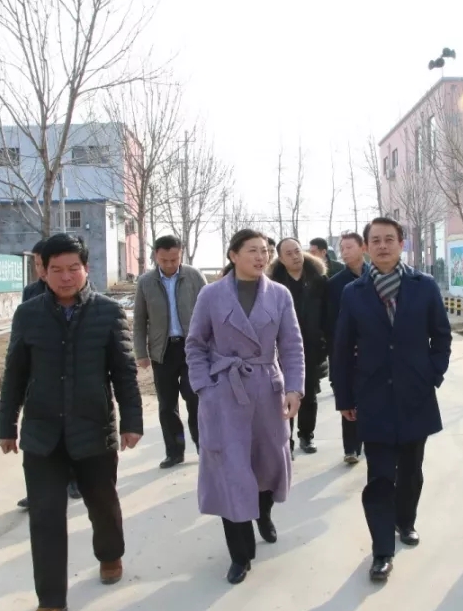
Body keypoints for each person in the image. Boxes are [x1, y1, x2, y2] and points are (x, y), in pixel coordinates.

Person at [0, 233, 143, 611]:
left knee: (102, 504)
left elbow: (124, 373)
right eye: (56, 270)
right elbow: (15, 373)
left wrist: (131, 422)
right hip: (42, 434)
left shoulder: (108, 312)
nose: (65, 277)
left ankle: (110, 554)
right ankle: (50, 601)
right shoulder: (28, 314)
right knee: (45, 517)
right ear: (42, 272)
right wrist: (7, 425)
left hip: (93, 429)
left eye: (73, 269)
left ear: (86, 269)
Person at [332, 217, 452, 583]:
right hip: (373, 397)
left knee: (411, 471)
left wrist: (431, 375)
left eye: (389, 239)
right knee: (380, 476)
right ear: (366, 247)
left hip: (416, 394)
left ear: (402, 244)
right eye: (376, 240)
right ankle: (382, 550)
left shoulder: (423, 286)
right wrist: (345, 396)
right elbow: (341, 348)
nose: (383, 246)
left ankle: (406, 520)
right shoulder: (354, 292)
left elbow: (441, 337)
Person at [185, 229, 305, 585]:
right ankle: (240, 554)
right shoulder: (211, 295)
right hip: (225, 391)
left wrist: (295, 389)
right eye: (252, 250)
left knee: (267, 463)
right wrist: (205, 387)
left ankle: (263, 512)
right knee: (231, 469)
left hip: (268, 390)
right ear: (233, 255)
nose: (260, 256)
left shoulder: (279, 295)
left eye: (265, 250)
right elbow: (195, 345)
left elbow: (292, 346)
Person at [133, 235, 208, 468]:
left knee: (195, 399)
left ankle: (204, 448)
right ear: (156, 256)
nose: (169, 264)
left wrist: (212, 346)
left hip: (192, 349)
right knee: (167, 405)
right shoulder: (146, 282)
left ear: (181, 254)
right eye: (164, 260)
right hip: (162, 351)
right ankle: (174, 451)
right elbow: (139, 320)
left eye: (174, 259)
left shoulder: (194, 276)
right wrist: (141, 353)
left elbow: (210, 311)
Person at [18, 239, 81, 508]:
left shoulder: (76, 290)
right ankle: (36, 491)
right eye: (36, 264)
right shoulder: (31, 293)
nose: (39, 269)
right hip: (41, 376)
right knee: (39, 441)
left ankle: (74, 480)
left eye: (42, 263)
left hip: (72, 373)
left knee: (71, 432)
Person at [270, 237, 330, 455]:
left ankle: (306, 435)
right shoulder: (273, 285)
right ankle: (287, 439)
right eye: (289, 254)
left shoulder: (318, 280)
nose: (295, 256)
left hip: (312, 346)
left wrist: (324, 342)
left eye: (297, 251)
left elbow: (327, 314)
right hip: (283, 348)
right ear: (280, 258)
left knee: (309, 393)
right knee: (285, 393)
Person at [327, 232, 369, 464]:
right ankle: (351, 448)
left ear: (363, 248)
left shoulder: (376, 277)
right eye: (341, 248)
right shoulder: (335, 284)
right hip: (346, 350)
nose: (344, 252)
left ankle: (371, 442)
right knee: (348, 396)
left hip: (371, 349)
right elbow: (331, 321)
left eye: (349, 247)